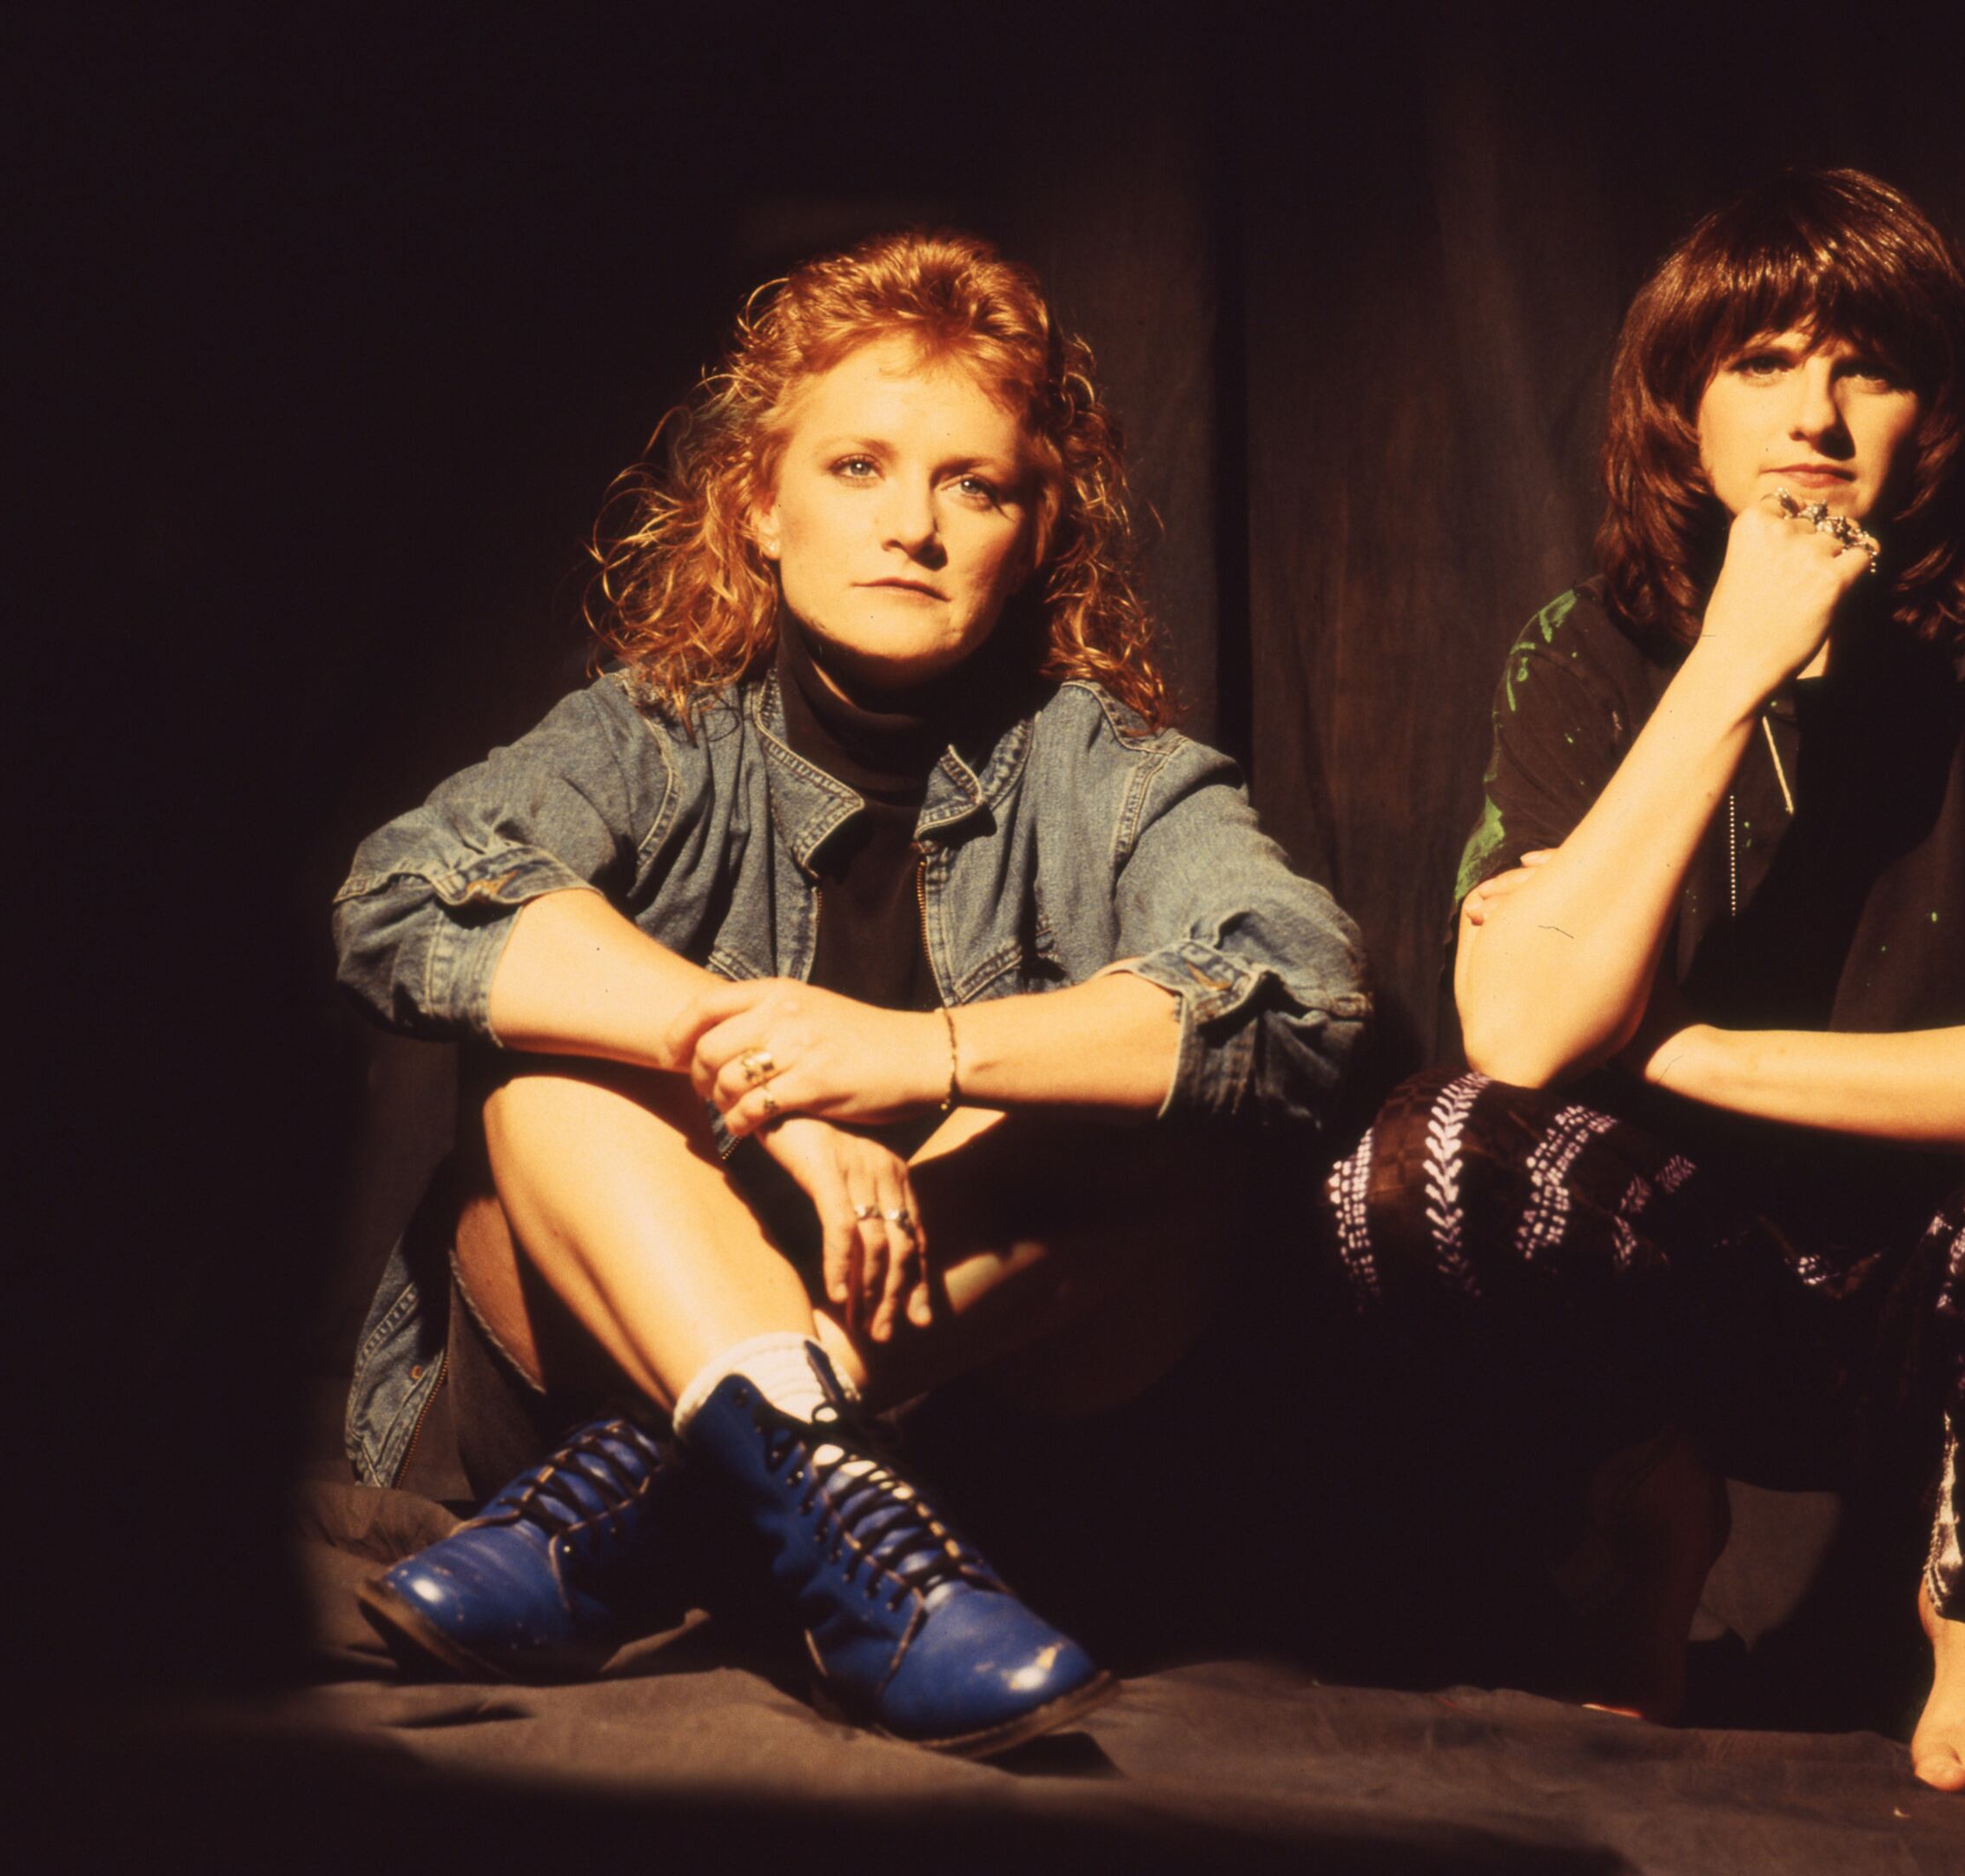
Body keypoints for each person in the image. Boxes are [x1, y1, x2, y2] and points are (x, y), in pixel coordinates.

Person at [330, 230, 1366, 1757]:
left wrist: (917, 1056)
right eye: (860, 467)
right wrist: (746, 1068)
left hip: (930, 1420)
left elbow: (1301, 999)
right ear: (760, 504)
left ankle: (676, 1492)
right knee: (555, 1073)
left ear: (1037, 528)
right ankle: (807, 1495)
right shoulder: (654, 734)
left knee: (1172, 1123)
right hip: (565, 1375)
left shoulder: (1112, 776)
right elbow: (403, 890)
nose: (913, 527)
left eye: (974, 485)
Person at [1327, 168, 1965, 1798]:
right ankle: (1650, 1513)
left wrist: (1681, 1048)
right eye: (1761, 364)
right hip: (1695, 1277)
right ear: (1681, 411)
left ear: (1932, 413)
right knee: (1416, 1168)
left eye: (1865, 369)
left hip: (1947, 1286)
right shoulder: (1586, 652)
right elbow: (1520, 1038)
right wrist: (1737, 661)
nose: (1814, 416)